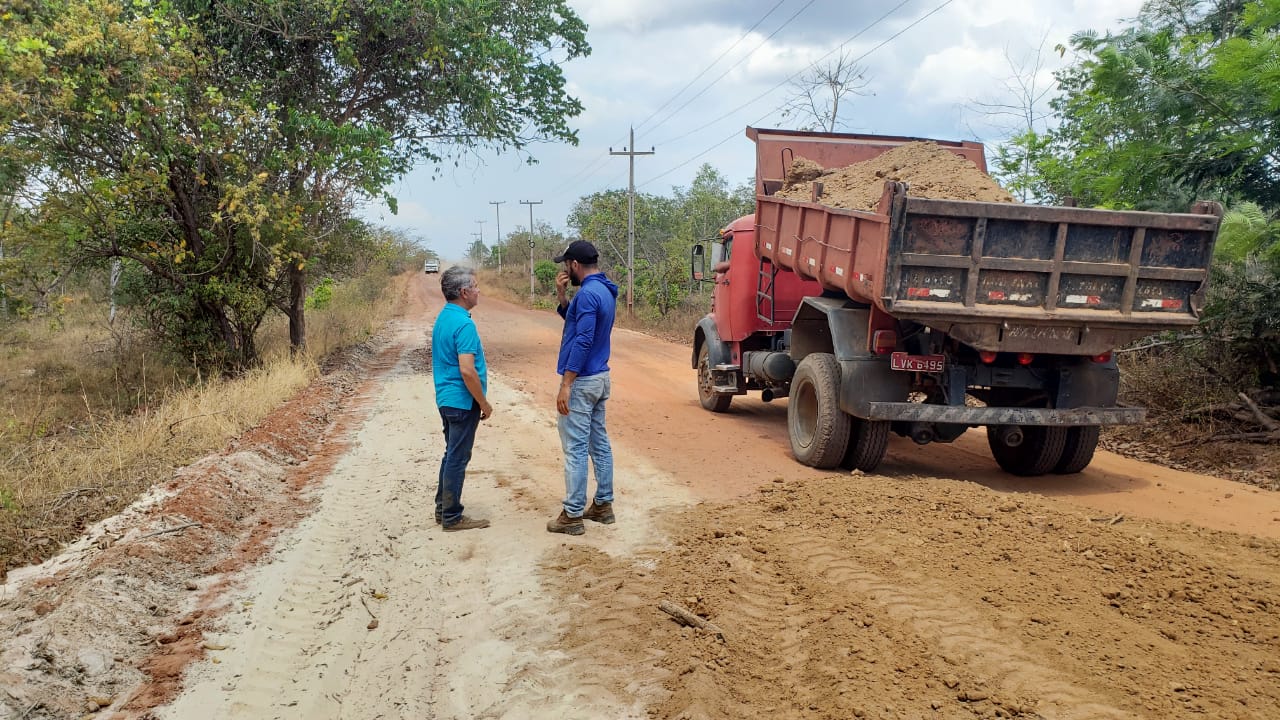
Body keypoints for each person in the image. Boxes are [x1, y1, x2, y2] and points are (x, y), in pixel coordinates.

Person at [547, 240, 619, 536]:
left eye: (567, 265)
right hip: (600, 377)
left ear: (574, 265)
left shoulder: (588, 294)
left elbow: (583, 339)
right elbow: (575, 322)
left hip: (583, 381)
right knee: (598, 442)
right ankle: (603, 506)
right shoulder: (603, 290)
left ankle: (573, 514)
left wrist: (566, 383)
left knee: (575, 447)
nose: (566, 270)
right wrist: (563, 296)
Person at [432, 265, 493, 532]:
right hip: (462, 401)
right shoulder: (464, 324)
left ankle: (442, 508)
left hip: (446, 399)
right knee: (458, 457)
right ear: (464, 291)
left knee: (451, 454)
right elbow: (467, 370)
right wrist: (483, 402)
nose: (479, 291)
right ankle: (452, 516)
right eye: (476, 286)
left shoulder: (444, 318)